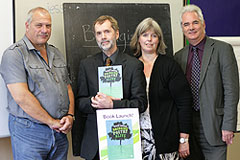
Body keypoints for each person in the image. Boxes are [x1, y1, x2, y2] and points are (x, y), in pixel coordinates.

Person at [0, 7, 74, 160]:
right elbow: (22, 97)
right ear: (27, 26)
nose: (44, 30)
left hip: (59, 131)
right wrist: (52, 122)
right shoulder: (14, 54)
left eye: (48, 25)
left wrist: (70, 115)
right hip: (30, 133)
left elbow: (67, 87)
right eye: (39, 25)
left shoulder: (56, 53)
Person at [74, 15, 147, 160]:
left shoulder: (134, 65)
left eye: (107, 31)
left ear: (117, 34)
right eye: (99, 33)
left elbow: (141, 103)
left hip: (124, 141)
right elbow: (80, 101)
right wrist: (94, 102)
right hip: (94, 144)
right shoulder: (86, 65)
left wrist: (113, 104)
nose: (103, 37)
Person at [174, 4, 239, 160]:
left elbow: (232, 90)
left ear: (203, 24)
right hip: (189, 128)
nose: (191, 27)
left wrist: (229, 125)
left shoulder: (223, 49)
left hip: (215, 127)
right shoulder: (179, 56)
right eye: (186, 24)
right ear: (182, 28)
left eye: (195, 22)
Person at [130, 17, 192, 160]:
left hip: (165, 138)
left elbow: (184, 102)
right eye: (145, 35)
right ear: (138, 39)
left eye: (154, 35)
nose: (149, 39)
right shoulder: (130, 66)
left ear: (159, 40)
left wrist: (184, 139)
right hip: (135, 137)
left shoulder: (169, 66)